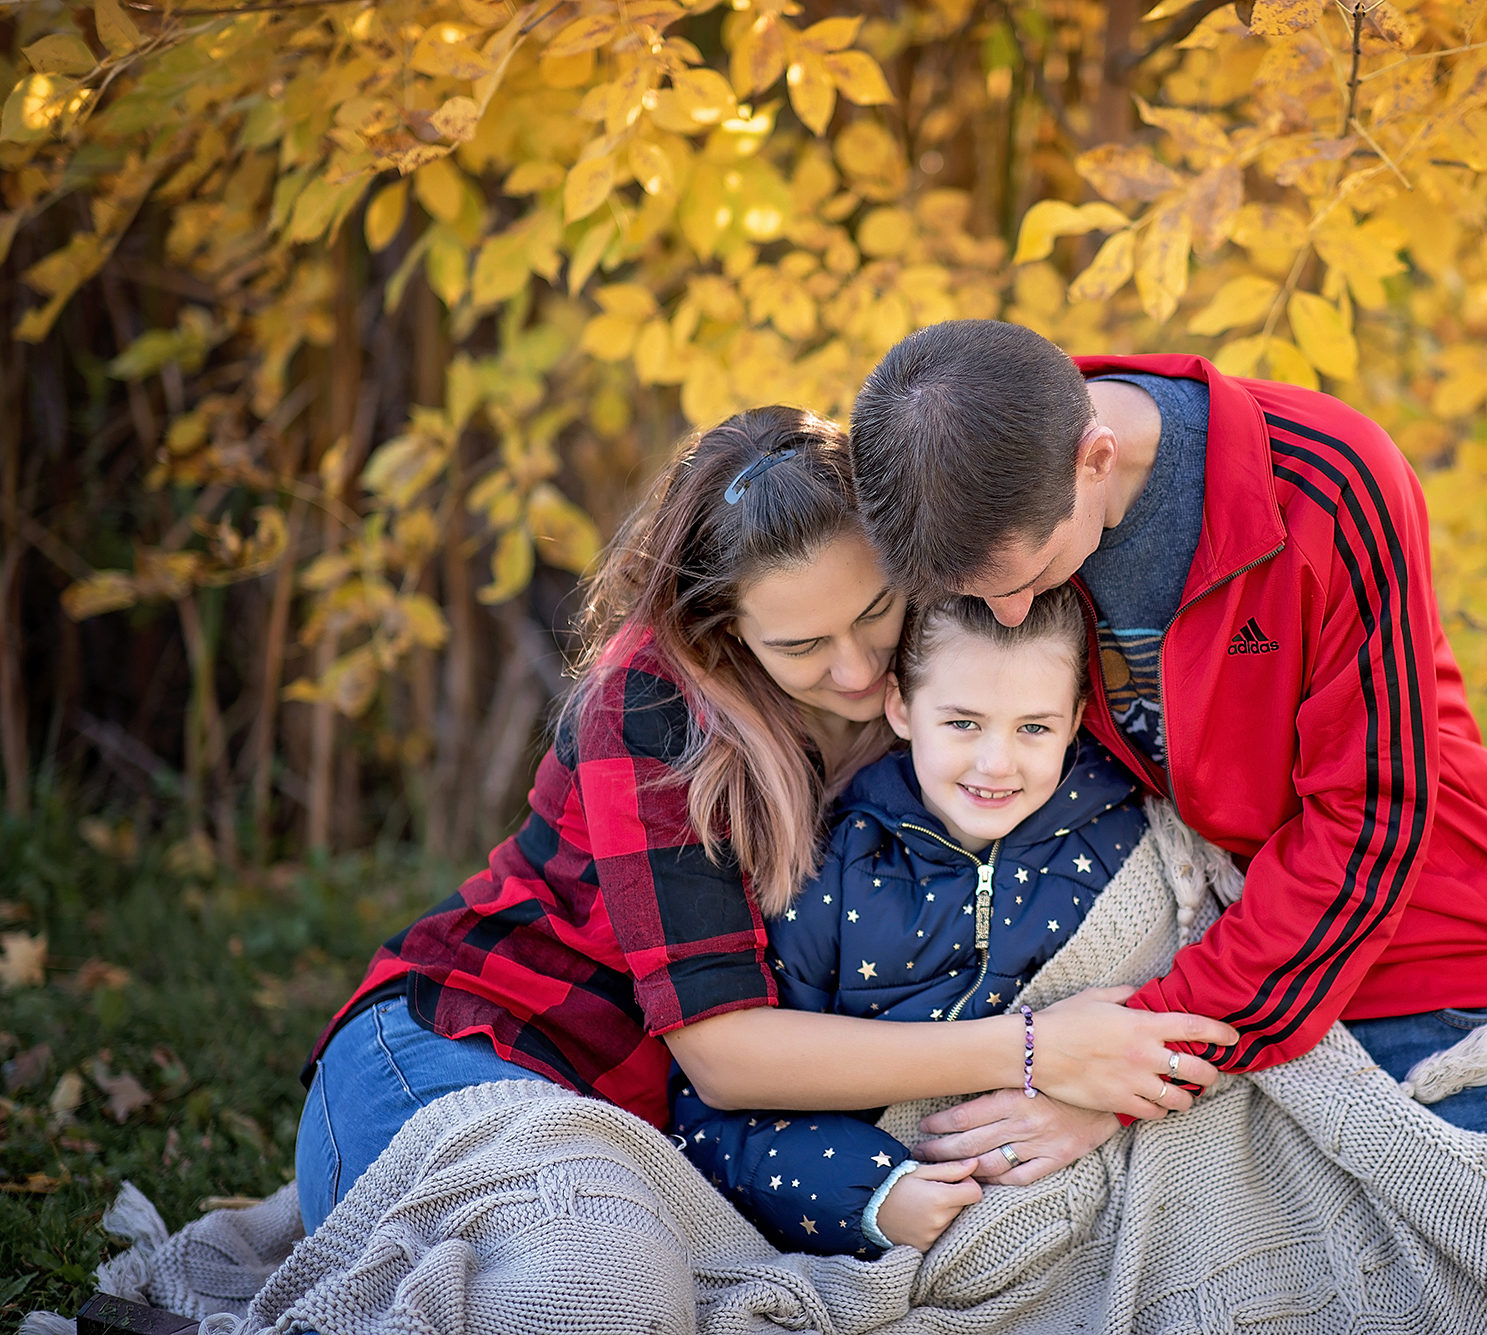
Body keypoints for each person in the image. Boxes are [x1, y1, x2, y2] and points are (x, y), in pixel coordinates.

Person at [294, 405, 1238, 1235]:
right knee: (574, 1274)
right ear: (724, 630)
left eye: (874, 613)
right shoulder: (656, 704)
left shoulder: (953, 668)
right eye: (800, 645)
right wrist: (1039, 1053)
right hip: (469, 1045)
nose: (859, 669)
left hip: (641, 1129)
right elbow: (728, 1055)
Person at [846, 320, 1487, 1166]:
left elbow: (1370, 821)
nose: (1009, 617)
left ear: (1097, 458)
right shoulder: (965, 462)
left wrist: (1143, 1062)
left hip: (1431, 967)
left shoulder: (1331, 481)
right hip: (1209, 969)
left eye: (1031, 579)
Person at [675, 587, 1144, 1257]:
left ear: (1075, 719)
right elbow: (717, 1116)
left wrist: (1104, 1110)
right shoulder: (831, 869)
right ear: (901, 705)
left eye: (1033, 727)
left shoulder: (1125, 835)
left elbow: (1191, 1007)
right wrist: (873, 1195)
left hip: (1110, 1209)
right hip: (924, 1218)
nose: (996, 764)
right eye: (962, 723)